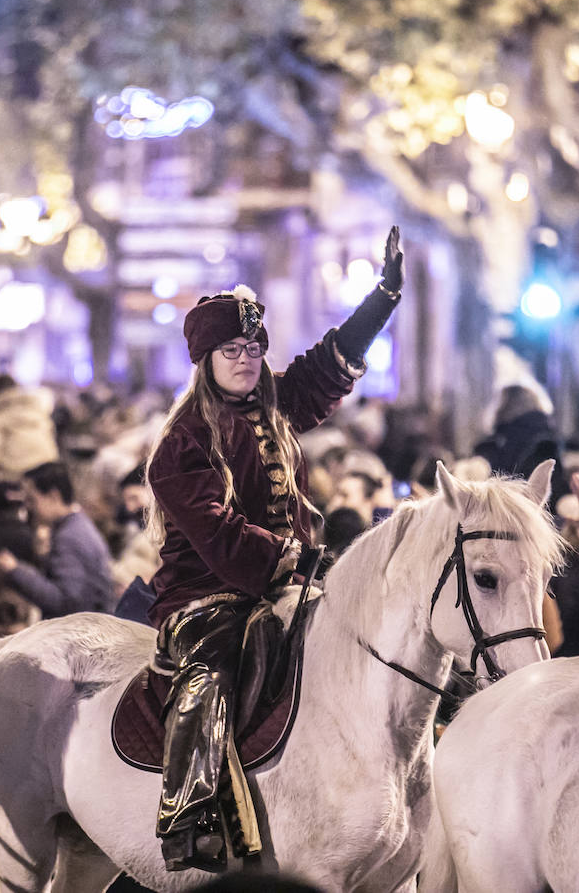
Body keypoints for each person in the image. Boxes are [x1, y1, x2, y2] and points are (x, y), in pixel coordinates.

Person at [144, 226, 404, 871]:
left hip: (288, 583)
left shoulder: (275, 405)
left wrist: (383, 296)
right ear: (204, 360)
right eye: (231, 348)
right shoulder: (181, 444)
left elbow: (326, 365)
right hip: (206, 596)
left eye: (254, 345)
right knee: (213, 672)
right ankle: (190, 813)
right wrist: (290, 558)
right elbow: (219, 536)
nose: (246, 357)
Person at [0, 461, 115, 618]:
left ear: (53, 497)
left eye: (32, 500)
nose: (28, 507)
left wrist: (16, 571)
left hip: (84, 635)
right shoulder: (78, 526)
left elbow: (67, 603)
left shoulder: (69, 537)